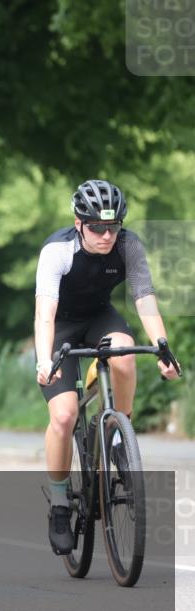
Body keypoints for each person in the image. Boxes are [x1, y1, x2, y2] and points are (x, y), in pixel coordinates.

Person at [34, 180, 179, 555]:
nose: (106, 235)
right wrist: (43, 359)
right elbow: (44, 315)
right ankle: (61, 503)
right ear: (80, 223)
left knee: (126, 352)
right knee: (64, 417)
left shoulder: (129, 246)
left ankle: (117, 434)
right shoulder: (57, 251)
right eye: (97, 227)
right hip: (61, 324)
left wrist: (163, 347)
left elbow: (144, 299)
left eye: (113, 227)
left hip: (100, 318)